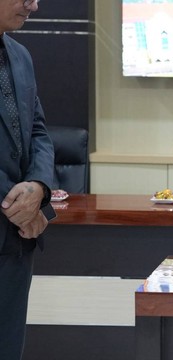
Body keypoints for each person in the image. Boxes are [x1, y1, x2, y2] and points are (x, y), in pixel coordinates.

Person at [0, 0, 55, 359]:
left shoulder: (20, 55)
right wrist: (18, 204)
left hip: (15, 244)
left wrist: (37, 188)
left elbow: (37, 131)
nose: (33, 5)